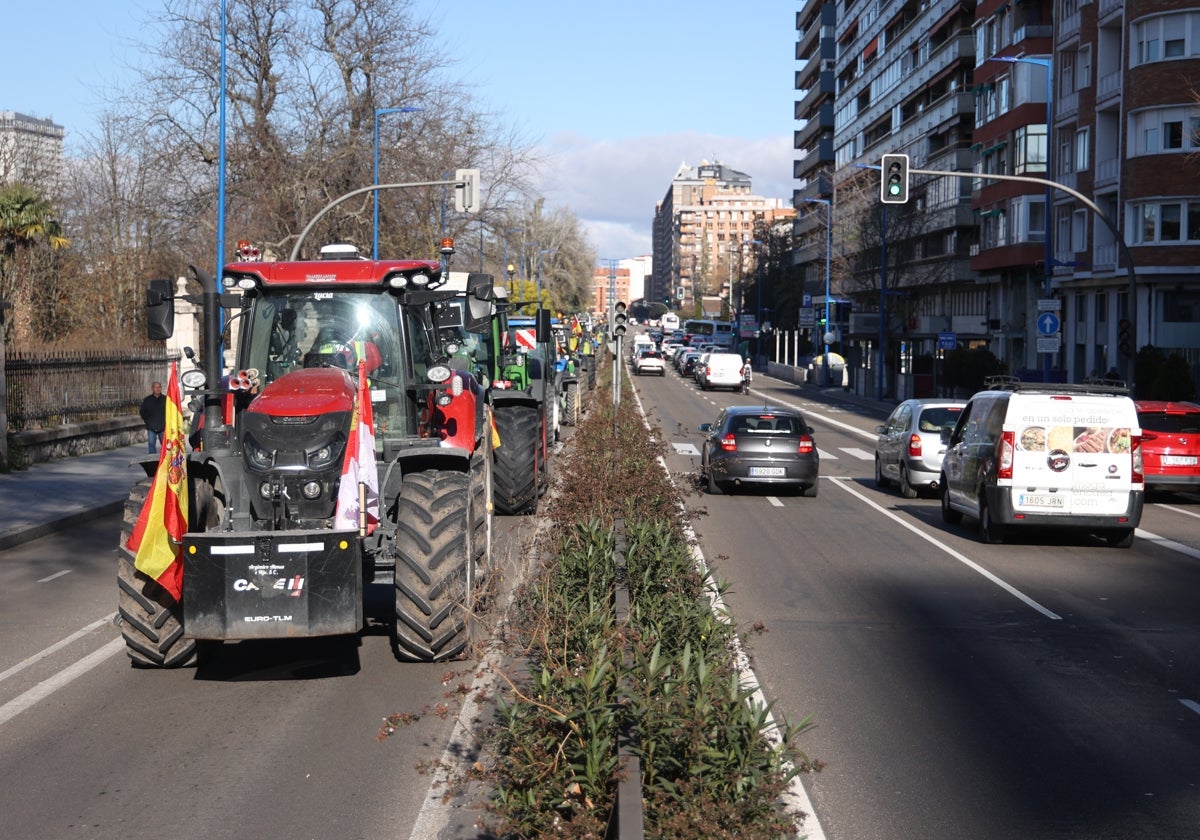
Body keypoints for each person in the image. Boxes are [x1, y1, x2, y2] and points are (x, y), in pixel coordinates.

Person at [140, 381, 166, 454]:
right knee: (151, 445)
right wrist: (148, 422)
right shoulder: (147, 400)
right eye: (156, 387)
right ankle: (152, 461)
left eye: (159, 387)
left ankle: (165, 461)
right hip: (151, 427)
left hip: (162, 427)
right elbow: (142, 412)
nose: (157, 389)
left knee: (165, 446)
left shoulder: (165, 399)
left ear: (161, 388)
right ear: (152, 388)